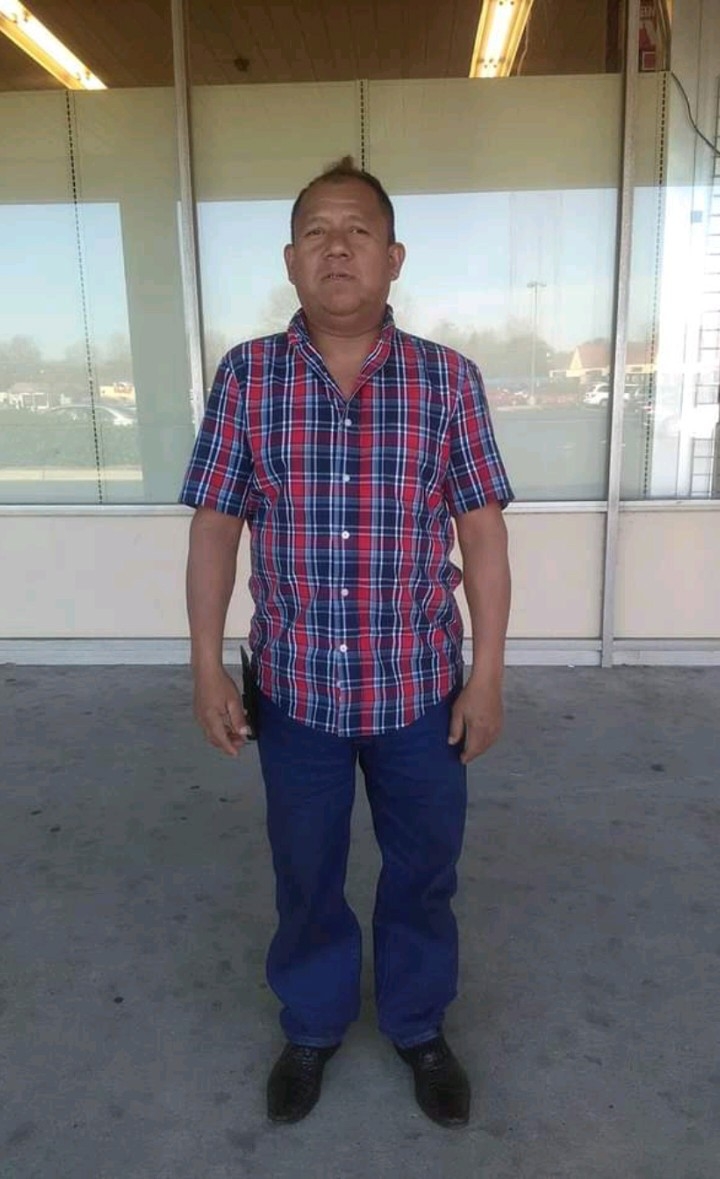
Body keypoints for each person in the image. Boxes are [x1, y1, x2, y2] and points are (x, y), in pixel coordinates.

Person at [180, 157, 513, 1128]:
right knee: (306, 871)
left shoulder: (448, 380)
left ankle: (417, 1022)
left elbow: (483, 534)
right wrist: (204, 667)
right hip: (296, 695)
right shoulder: (248, 376)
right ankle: (313, 1023)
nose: (337, 248)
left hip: (419, 691)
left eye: (358, 230)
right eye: (317, 232)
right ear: (290, 259)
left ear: (393, 257)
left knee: (424, 870)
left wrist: (489, 677)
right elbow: (215, 529)